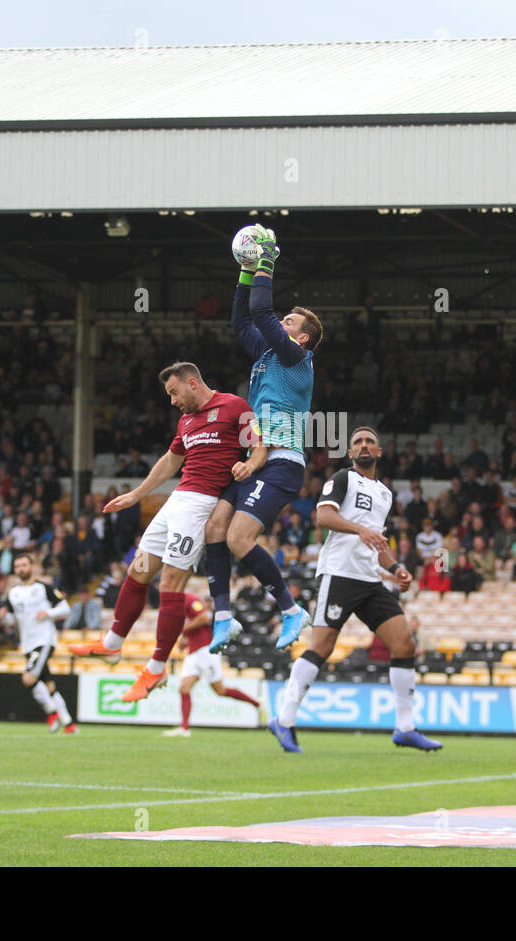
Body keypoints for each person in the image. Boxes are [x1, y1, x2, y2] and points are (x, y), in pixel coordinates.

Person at [68, 362, 264, 703]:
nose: (173, 401)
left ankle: (156, 669)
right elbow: (171, 460)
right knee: (137, 571)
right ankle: (112, 644)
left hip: (201, 505)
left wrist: (249, 464)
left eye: (174, 393)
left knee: (171, 584)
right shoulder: (186, 421)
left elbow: (259, 447)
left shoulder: (234, 406)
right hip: (175, 502)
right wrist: (136, 495)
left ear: (191, 383)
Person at [268, 426, 442, 753]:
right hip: (339, 573)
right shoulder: (344, 479)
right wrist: (360, 529)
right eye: (357, 442)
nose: (363, 446)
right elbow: (324, 516)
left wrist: (395, 568)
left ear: (378, 452)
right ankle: (284, 718)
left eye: (370, 442)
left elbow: (377, 540)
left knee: (404, 643)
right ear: (350, 452)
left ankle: (405, 728)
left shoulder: (386, 495)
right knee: (322, 646)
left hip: (370, 579)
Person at [204, 223, 322, 653]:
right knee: (214, 527)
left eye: (290, 320)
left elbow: (260, 313)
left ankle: (291, 610)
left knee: (237, 538)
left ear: (302, 336)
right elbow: (241, 319)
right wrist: (245, 270)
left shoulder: (296, 356)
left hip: (280, 460)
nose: (281, 320)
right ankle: (222, 618)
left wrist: (266, 262)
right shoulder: (270, 353)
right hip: (257, 454)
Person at [162, 594, 262, 738]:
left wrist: (183, 629)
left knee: (220, 690)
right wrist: (185, 640)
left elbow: (205, 617)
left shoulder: (189, 599)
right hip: (193, 653)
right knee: (184, 688)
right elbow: (192, 625)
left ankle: (257, 703)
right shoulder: (177, 606)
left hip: (205, 651)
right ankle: (184, 728)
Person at [0, 552, 76, 733]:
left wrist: (48, 613)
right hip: (27, 644)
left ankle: (52, 713)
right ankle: (69, 724)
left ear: (32, 567)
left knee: (28, 678)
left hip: (44, 641)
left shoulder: (44, 588)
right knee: (49, 685)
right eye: (17, 566)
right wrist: (4, 618)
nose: (21, 569)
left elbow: (65, 608)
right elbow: (12, 620)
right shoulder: (13, 593)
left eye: (24, 565)